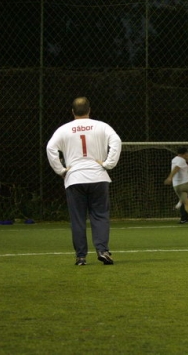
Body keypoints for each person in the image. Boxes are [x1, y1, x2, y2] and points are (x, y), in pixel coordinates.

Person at [46, 97, 122, 266]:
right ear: (90, 110)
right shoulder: (102, 126)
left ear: (72, 112)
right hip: (98, 176)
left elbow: (50, 148)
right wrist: (109, 164)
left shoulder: (63, 129)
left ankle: (81, 257)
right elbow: (116, 141)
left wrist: (61, 170)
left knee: (78, 218)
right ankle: (102, 250)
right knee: (100, 215)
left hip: (74, 178)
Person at [164, 147, 188, 226]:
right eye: (187, 154)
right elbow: (177, 168)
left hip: (177, 186)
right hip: (187, 184)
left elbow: (185, 168)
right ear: (184, 154)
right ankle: (181, 204)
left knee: (186, 203)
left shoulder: (174, 160)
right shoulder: (182, 160)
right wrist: (170, 177)